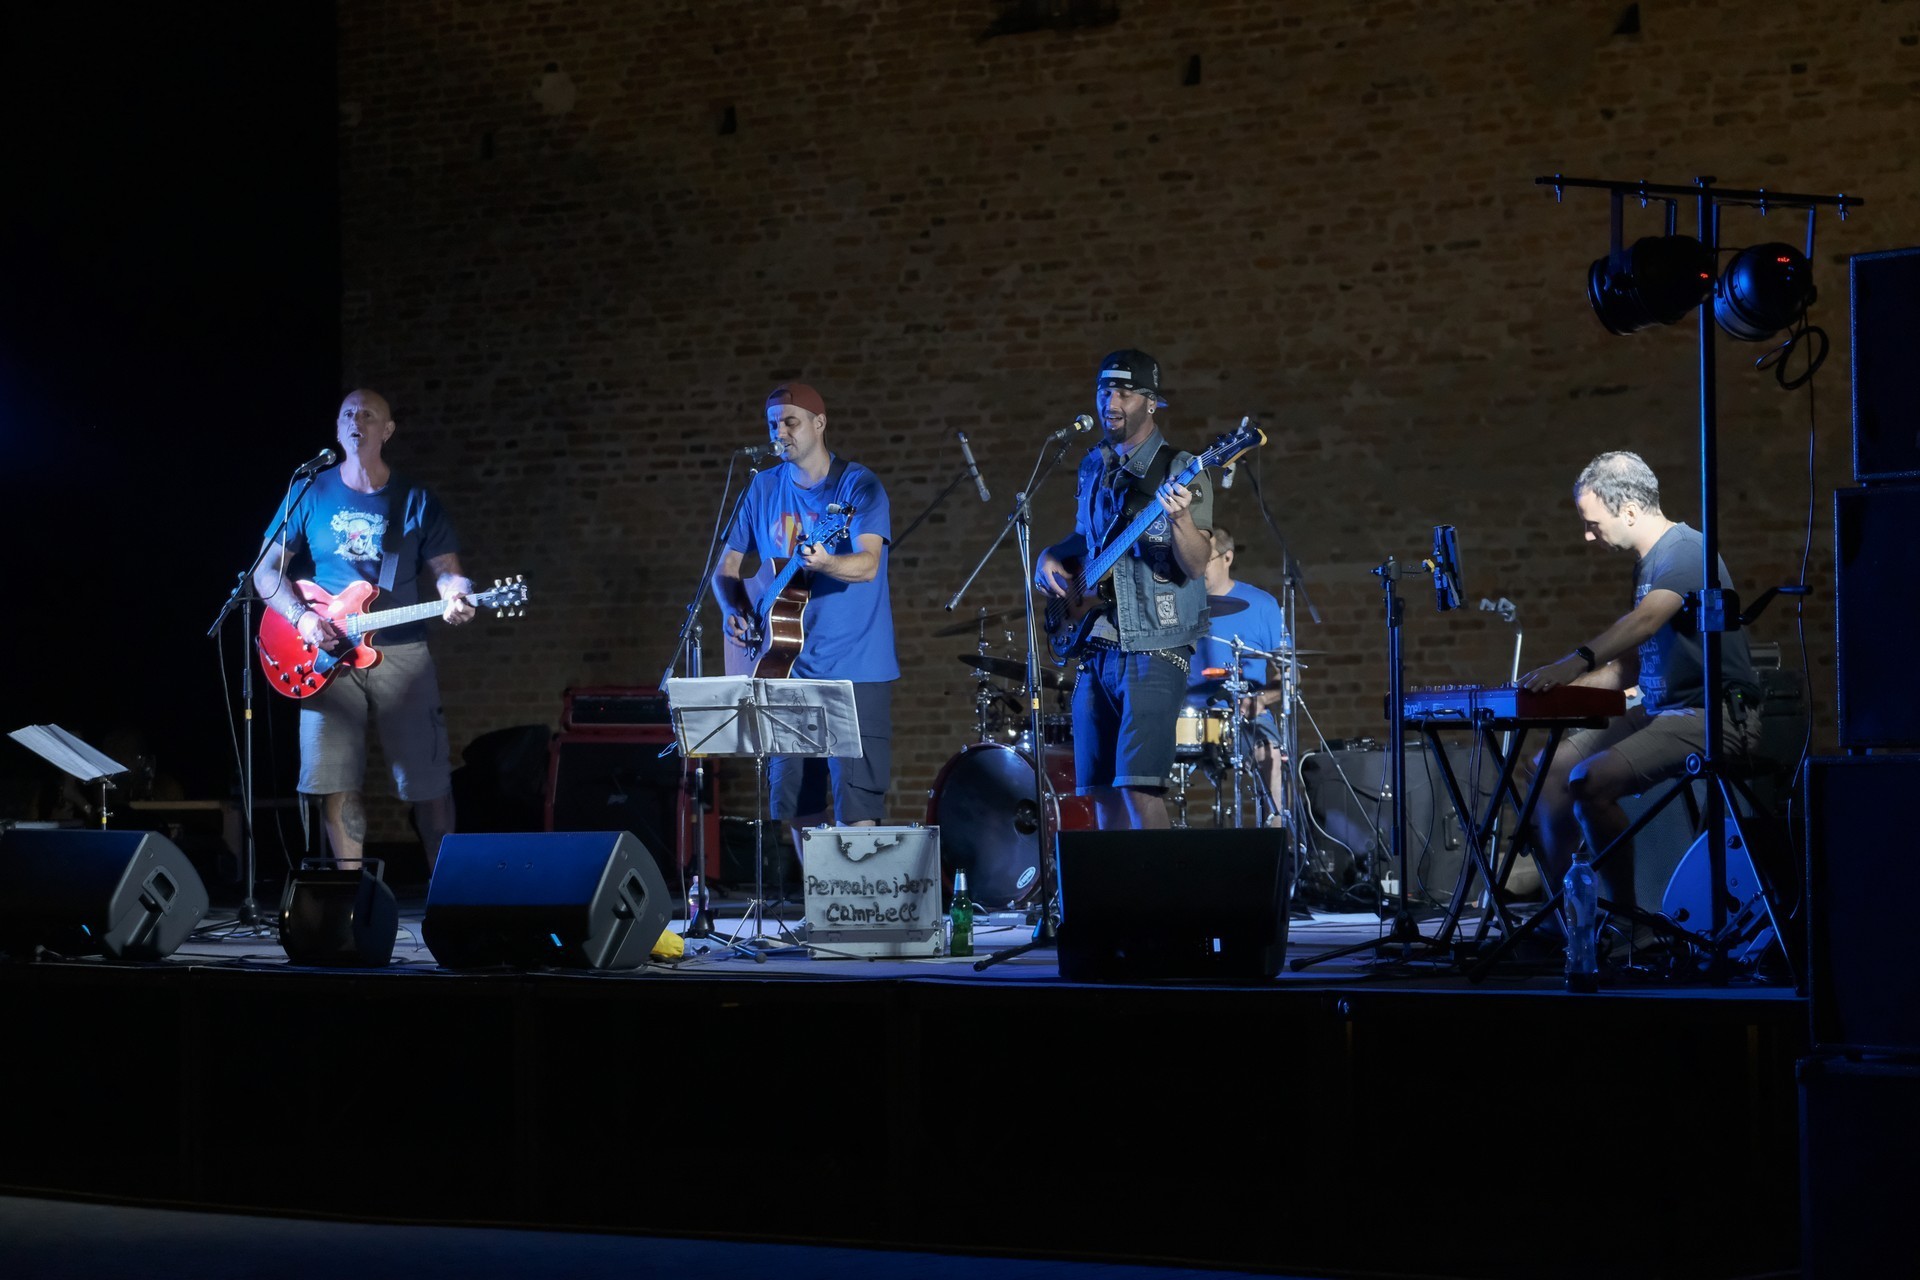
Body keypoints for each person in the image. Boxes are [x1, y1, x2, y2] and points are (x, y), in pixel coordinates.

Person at [1516, 450, 1763, 933]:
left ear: (1629, 511)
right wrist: (1552, 690)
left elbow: (1646, 620)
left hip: (1711, 715)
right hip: (1659, 710)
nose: (1589, 535)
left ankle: (1627, 922)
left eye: (1593, 523)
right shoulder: (1647, 566)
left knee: (1589, 781)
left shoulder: (1686, 550)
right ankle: (1569, 915)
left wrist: (1573, 661)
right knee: (1547, 771)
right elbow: (1628, 667)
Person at [252, 389, 475, 873]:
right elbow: (265, 572)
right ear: (338, 429)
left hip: (402, 651)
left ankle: (447, 890)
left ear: (387, 431)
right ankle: (349, 893)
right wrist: (303, 618)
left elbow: (448, 572)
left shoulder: (415, 499)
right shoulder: (309, 491)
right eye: (348, 414)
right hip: (326, 654)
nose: (357, 420)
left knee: (429, 782)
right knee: (335, 781)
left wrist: (458, 594)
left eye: (369, 415)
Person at [712, 382, 898, 857]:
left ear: (819, 423)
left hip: (855, 664)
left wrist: (826, 562)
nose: (780, 432)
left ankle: (857, 897)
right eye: (773, 424)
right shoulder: (762, 486)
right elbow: (726, 568)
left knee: (856, 797)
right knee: (797, 799)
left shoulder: (857, 485)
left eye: (790, 422)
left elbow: (868, 564)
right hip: (784, 666)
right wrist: (735, 609)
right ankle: (818, 894)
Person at [1035, 349, 1214, 830]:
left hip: (1156, 641)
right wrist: (1049, 554)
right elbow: (1087, 539)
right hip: (1098, 643)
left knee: (1138, 786)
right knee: (1098, 794)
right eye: (1104, 391)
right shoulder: (1093, 465)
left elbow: (1196, 564)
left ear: (1151, 403)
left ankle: (1158, 883)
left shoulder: (1181, 468)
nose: (1109, 402)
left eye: (1123, 393)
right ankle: (1113, 883)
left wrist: (1180, 518)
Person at [1189, 523, 1289, 824]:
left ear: (1227, 558)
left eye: (1205, 559)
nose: (1197, 567)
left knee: (1270, 752)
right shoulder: (1177, 606)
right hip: (1186, 714)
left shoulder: (1262, 605)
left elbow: (1288, 674)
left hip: (1244, 714)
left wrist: (1261, 699)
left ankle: (1275, 834)